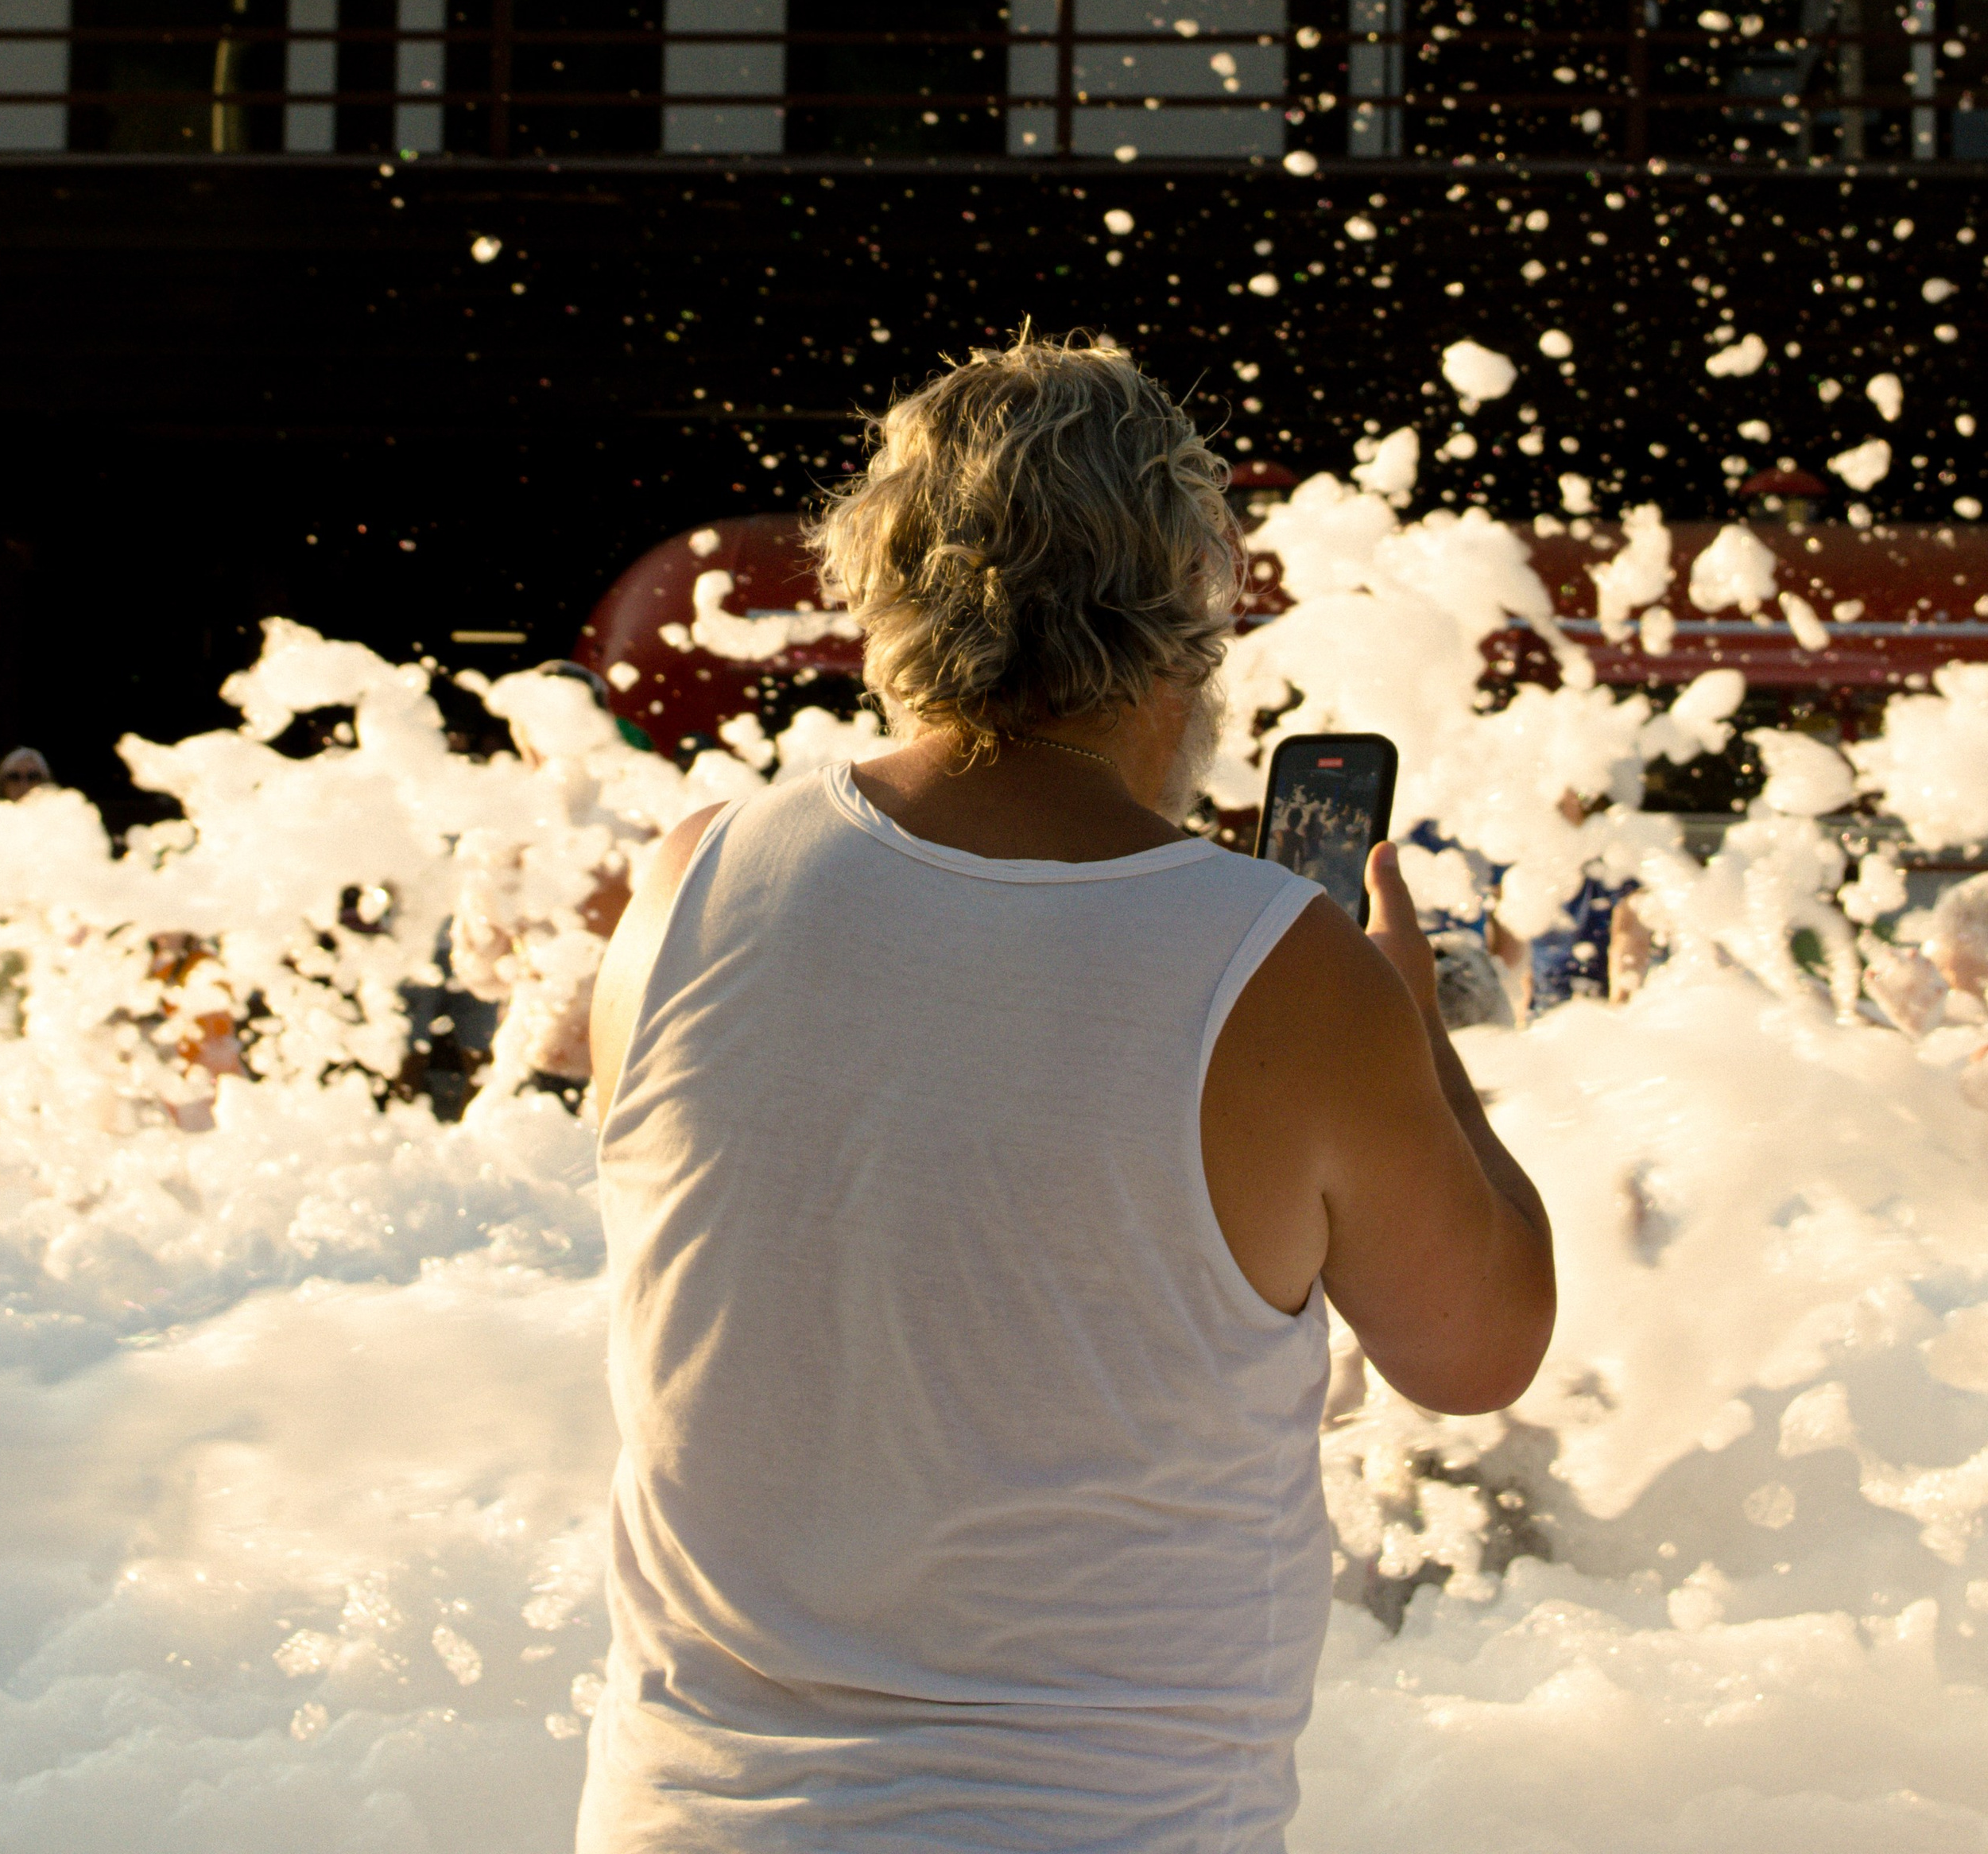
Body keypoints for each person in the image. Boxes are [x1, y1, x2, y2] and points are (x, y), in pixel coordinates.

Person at [581, 333, 1554, 1853]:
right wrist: (1412, 1022)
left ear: (884, 600)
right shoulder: (1284, 970)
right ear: (1190, 623)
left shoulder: (690, 882)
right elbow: (1479, 1349)